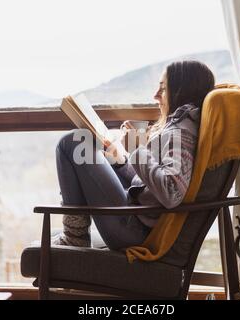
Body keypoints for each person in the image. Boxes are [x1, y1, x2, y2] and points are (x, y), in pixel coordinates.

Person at [53, 60, 215, 250]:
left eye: (163, 89)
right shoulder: (182, 126)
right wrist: (121, 163)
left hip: (133, 230)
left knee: (72, 142)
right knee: (86, 144)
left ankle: (74, 236)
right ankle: (75, 234)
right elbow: (149, 187)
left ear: (181, 91)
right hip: (137, 217)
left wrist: (137, 150)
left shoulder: (180, 133)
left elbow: (171, 192)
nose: (155, 96)